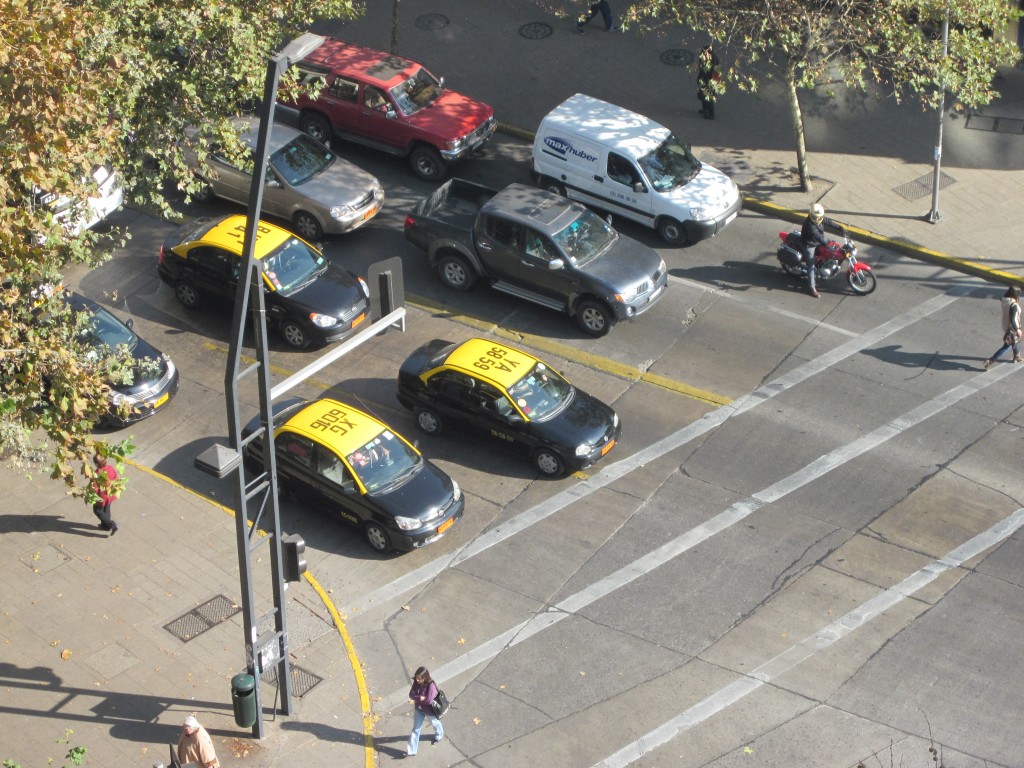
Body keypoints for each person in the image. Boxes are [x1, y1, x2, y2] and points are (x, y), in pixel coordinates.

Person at [800, 203, 843, 298]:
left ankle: (825, 263)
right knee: (810, 265)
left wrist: (840, 228)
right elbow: (818, 236)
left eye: (818, 217)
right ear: (811, 214)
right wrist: (826, 243)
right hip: (809, 244)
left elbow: (828, 222)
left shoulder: (820, 219)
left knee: (834, 246)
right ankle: (811, 287)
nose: (817, 219)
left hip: (817, 241)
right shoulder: (810, 225)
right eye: (815, 217)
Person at [406, 666, 444, 756]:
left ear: (425, 677)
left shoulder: (431, 685)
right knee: (416, 729)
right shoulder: (416, 683)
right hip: (419, 709)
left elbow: (429, 701)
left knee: (435, 723)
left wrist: (418, 698)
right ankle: (411, 750)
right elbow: (411, 694)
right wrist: (420, 697)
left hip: (429, 711)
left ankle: (439, 735)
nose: (417, 680)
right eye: (416, 678)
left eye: (420, 678)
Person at [984, 286, 1023, 369]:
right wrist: (1018, 330)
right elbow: (1013, 319)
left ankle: (1017, 356)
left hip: (1005, 324)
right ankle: (991, 360)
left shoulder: (1004, 299)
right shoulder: (1014, 305)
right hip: (1012, 327)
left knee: (1014, 341)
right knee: (1007, 345)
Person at [91, 453, 120, 535]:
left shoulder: (97, 473)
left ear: (96, 464)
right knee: (106, 509)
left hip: (101, 497)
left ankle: (111, 524)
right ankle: (105, 526)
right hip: (110, 493)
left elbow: (95, 488)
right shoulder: (110, 468)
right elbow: (116, 478)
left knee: (97, 510)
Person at [697, 45, 721, 119]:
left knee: (708, 98)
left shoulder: (712, 62)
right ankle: (705, 109)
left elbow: (709, 73)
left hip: (709, 82)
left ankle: (711, 114)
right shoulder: (707, 59)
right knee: (703, 96)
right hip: (704, 80)